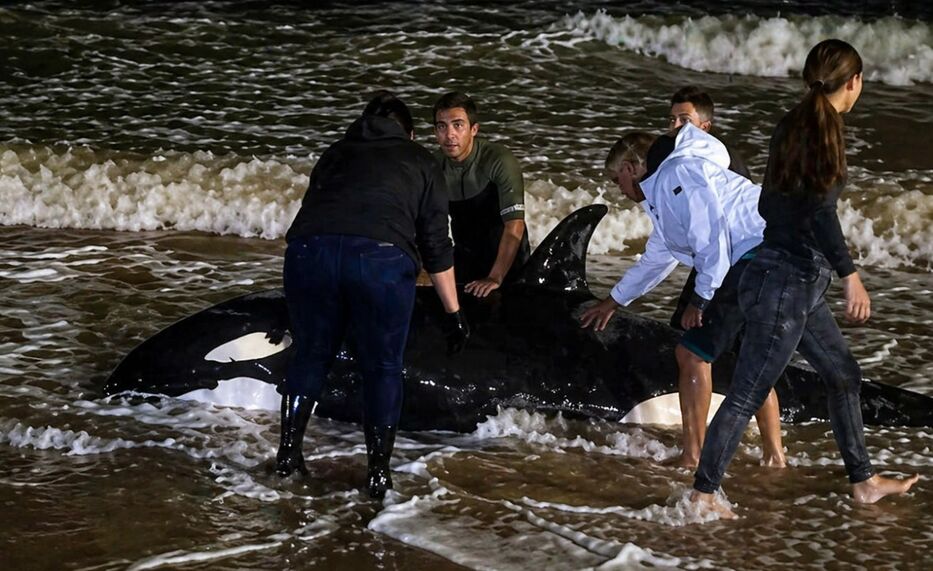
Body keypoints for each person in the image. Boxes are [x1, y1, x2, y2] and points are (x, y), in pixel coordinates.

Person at [690, 39, 918, 516]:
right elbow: (820, 211)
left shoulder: (792, 125)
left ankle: (864, 481)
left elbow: (768, 203)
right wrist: (850, 274)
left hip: (786, 279)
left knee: (843, 375)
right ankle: (702, 495)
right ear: (853, 82)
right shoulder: (824, 132)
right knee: (748, 393)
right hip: (786, 285)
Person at [277, 91, 470, 499]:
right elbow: (436, 245)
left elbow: (315, 214)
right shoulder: (420, 160)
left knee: (310, 354)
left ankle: (288, 456)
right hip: (380, 260)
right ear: (411, 134)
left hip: (307, 254)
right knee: (382, 367)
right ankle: (378, 475)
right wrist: (453, 313)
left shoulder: (334, 153)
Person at [580, 125, 785, 469]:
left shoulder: (677, 175)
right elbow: (658, 257)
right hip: (774, 249)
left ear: (630, 168)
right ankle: (775, 457)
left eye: (617, 180)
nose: (620, 190)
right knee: (750, 357)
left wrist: (700, 300)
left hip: (755, 254)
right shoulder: (664, 189)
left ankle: (692, 456)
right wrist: (613, 301)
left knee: (691, 354)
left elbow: (712, 242)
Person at [433, 91, 530, 297]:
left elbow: (515, 225)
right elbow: (425, 225)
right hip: (465, 260)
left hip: (508, 264)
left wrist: (495, 277)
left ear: (474, 129)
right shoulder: (433, 166)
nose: (449, 135)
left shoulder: (498, 160)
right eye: (442, 126)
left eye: (458, 125)